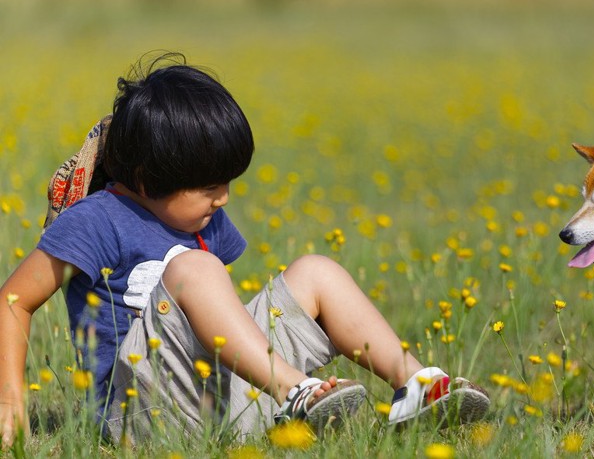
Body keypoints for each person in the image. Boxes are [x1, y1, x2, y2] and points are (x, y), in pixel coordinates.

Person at [0, 53, 489, 447]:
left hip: (218, 397)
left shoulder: (198, 217)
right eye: (209, 187)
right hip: (138, 415)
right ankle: (292, 390)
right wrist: (12, 404)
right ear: (148, 179)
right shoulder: (96, 219)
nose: (224, 198)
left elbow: (220, 318)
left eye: (227, 183)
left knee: (315, 271)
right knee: (197, 268)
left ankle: (418, 386)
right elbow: (12, 303)